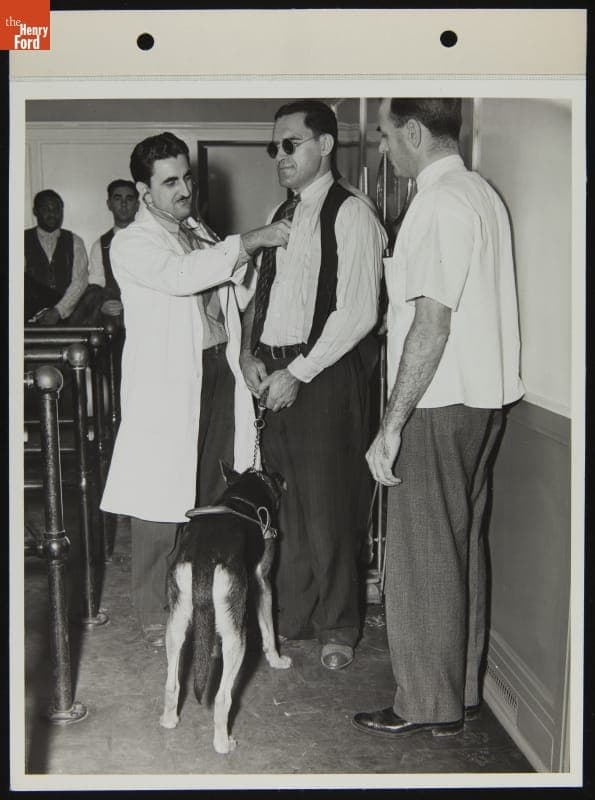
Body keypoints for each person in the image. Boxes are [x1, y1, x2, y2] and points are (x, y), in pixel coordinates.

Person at [353, 98, 524, 737]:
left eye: (387, 137)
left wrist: (392, 425)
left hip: (437, 403)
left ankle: (425, 705)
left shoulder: (436, 203)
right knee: (460, 547)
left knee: (422, 556)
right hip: (484, 402)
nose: (384, 152)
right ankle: (462, 694)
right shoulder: (482, 194)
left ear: (415, 133)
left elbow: (429, 323)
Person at [99, 132, 291, 646]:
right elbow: (181, 276)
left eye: (186, 177)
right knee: (159, 502)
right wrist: (250, 241)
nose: (184, 188)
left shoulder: (196, 228)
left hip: (215, 372)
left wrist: (251, 265)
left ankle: (199, 598)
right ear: (144, 191)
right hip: (169, 381)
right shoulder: (133, 241)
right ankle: (152, 612)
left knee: (210, 491)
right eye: (170, 182)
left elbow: (232, 289)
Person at [240, 100, 387, 671]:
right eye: (274, 146)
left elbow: (356, 314)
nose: (280, 155)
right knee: (284, 506)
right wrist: (251, 356)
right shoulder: (283, 212)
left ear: (324, 145)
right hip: (275, 373)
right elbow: (268, 297)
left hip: (323, 376)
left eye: (291, 143)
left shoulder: (352, 214)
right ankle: (293, 616)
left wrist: (297, 372)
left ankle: (338, 625)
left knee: (328, 505)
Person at [77, 179, 140, 325]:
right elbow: (95, 284)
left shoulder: (152, 239)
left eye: (129, 199)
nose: (123, 204)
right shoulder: (100, 245)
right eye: (118, 198)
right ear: (109, 204)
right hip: (117, 322)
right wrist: (102, 305)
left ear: (137, 205)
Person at [24, 189, 89, 324]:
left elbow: (80, 281)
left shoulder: (75, 241)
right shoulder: (19, 240)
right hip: (29, 318)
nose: (52, 213)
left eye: (57, 209)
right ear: (35, 211)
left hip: (67, 316)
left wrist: (58, 311)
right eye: (46, 209)